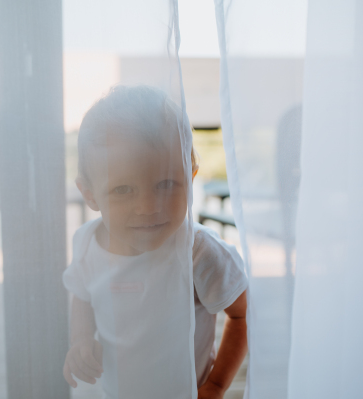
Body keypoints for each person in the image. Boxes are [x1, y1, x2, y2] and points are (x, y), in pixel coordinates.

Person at [62, 85, 248, 399]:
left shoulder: (197, 252)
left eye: (165, 183)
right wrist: (80, 339)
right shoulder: (87, 244)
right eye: (123, 190)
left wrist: (216, 385)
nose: (148, 207)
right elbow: (82, 294)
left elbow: (243, 315)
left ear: (190, 176)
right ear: (90, 194)